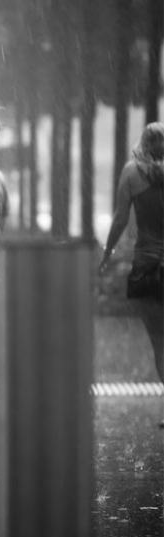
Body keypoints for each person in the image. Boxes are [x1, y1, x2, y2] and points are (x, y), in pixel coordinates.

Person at [100, 122, 163, 408]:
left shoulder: (131, 172)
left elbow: (120, 220)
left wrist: (107, 252)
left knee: (160, 342)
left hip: (147, 265)